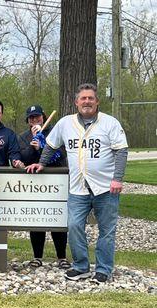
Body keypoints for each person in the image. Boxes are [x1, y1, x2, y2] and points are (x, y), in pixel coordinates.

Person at [26, 83, 128, 284]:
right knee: (73, 226)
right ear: (76, 102)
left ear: (97, 101)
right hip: (78, 187)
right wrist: (41, 163)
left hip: (105, 187)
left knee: (106, 230)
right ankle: (81, 266)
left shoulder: (110, 123)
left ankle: (103, 269)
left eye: (91, 98)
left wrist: (117, 178)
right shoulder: (65, 123)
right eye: (83, 98)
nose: (87, 101)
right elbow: (51, 145)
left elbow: (121, 151)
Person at [18, 105, 70, 269]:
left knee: (57, 218)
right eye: (31, 118)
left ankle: (61, 257)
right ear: (28, 121)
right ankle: (37, 256)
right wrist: (33, 148)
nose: (35, 120)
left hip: (55, 182)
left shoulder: (56, 132)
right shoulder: (24, 136)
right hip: (35, 184)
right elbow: (24, 158)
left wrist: (41, 147)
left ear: (43, 116)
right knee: (37, 218)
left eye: (37, 116)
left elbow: (61, 154)